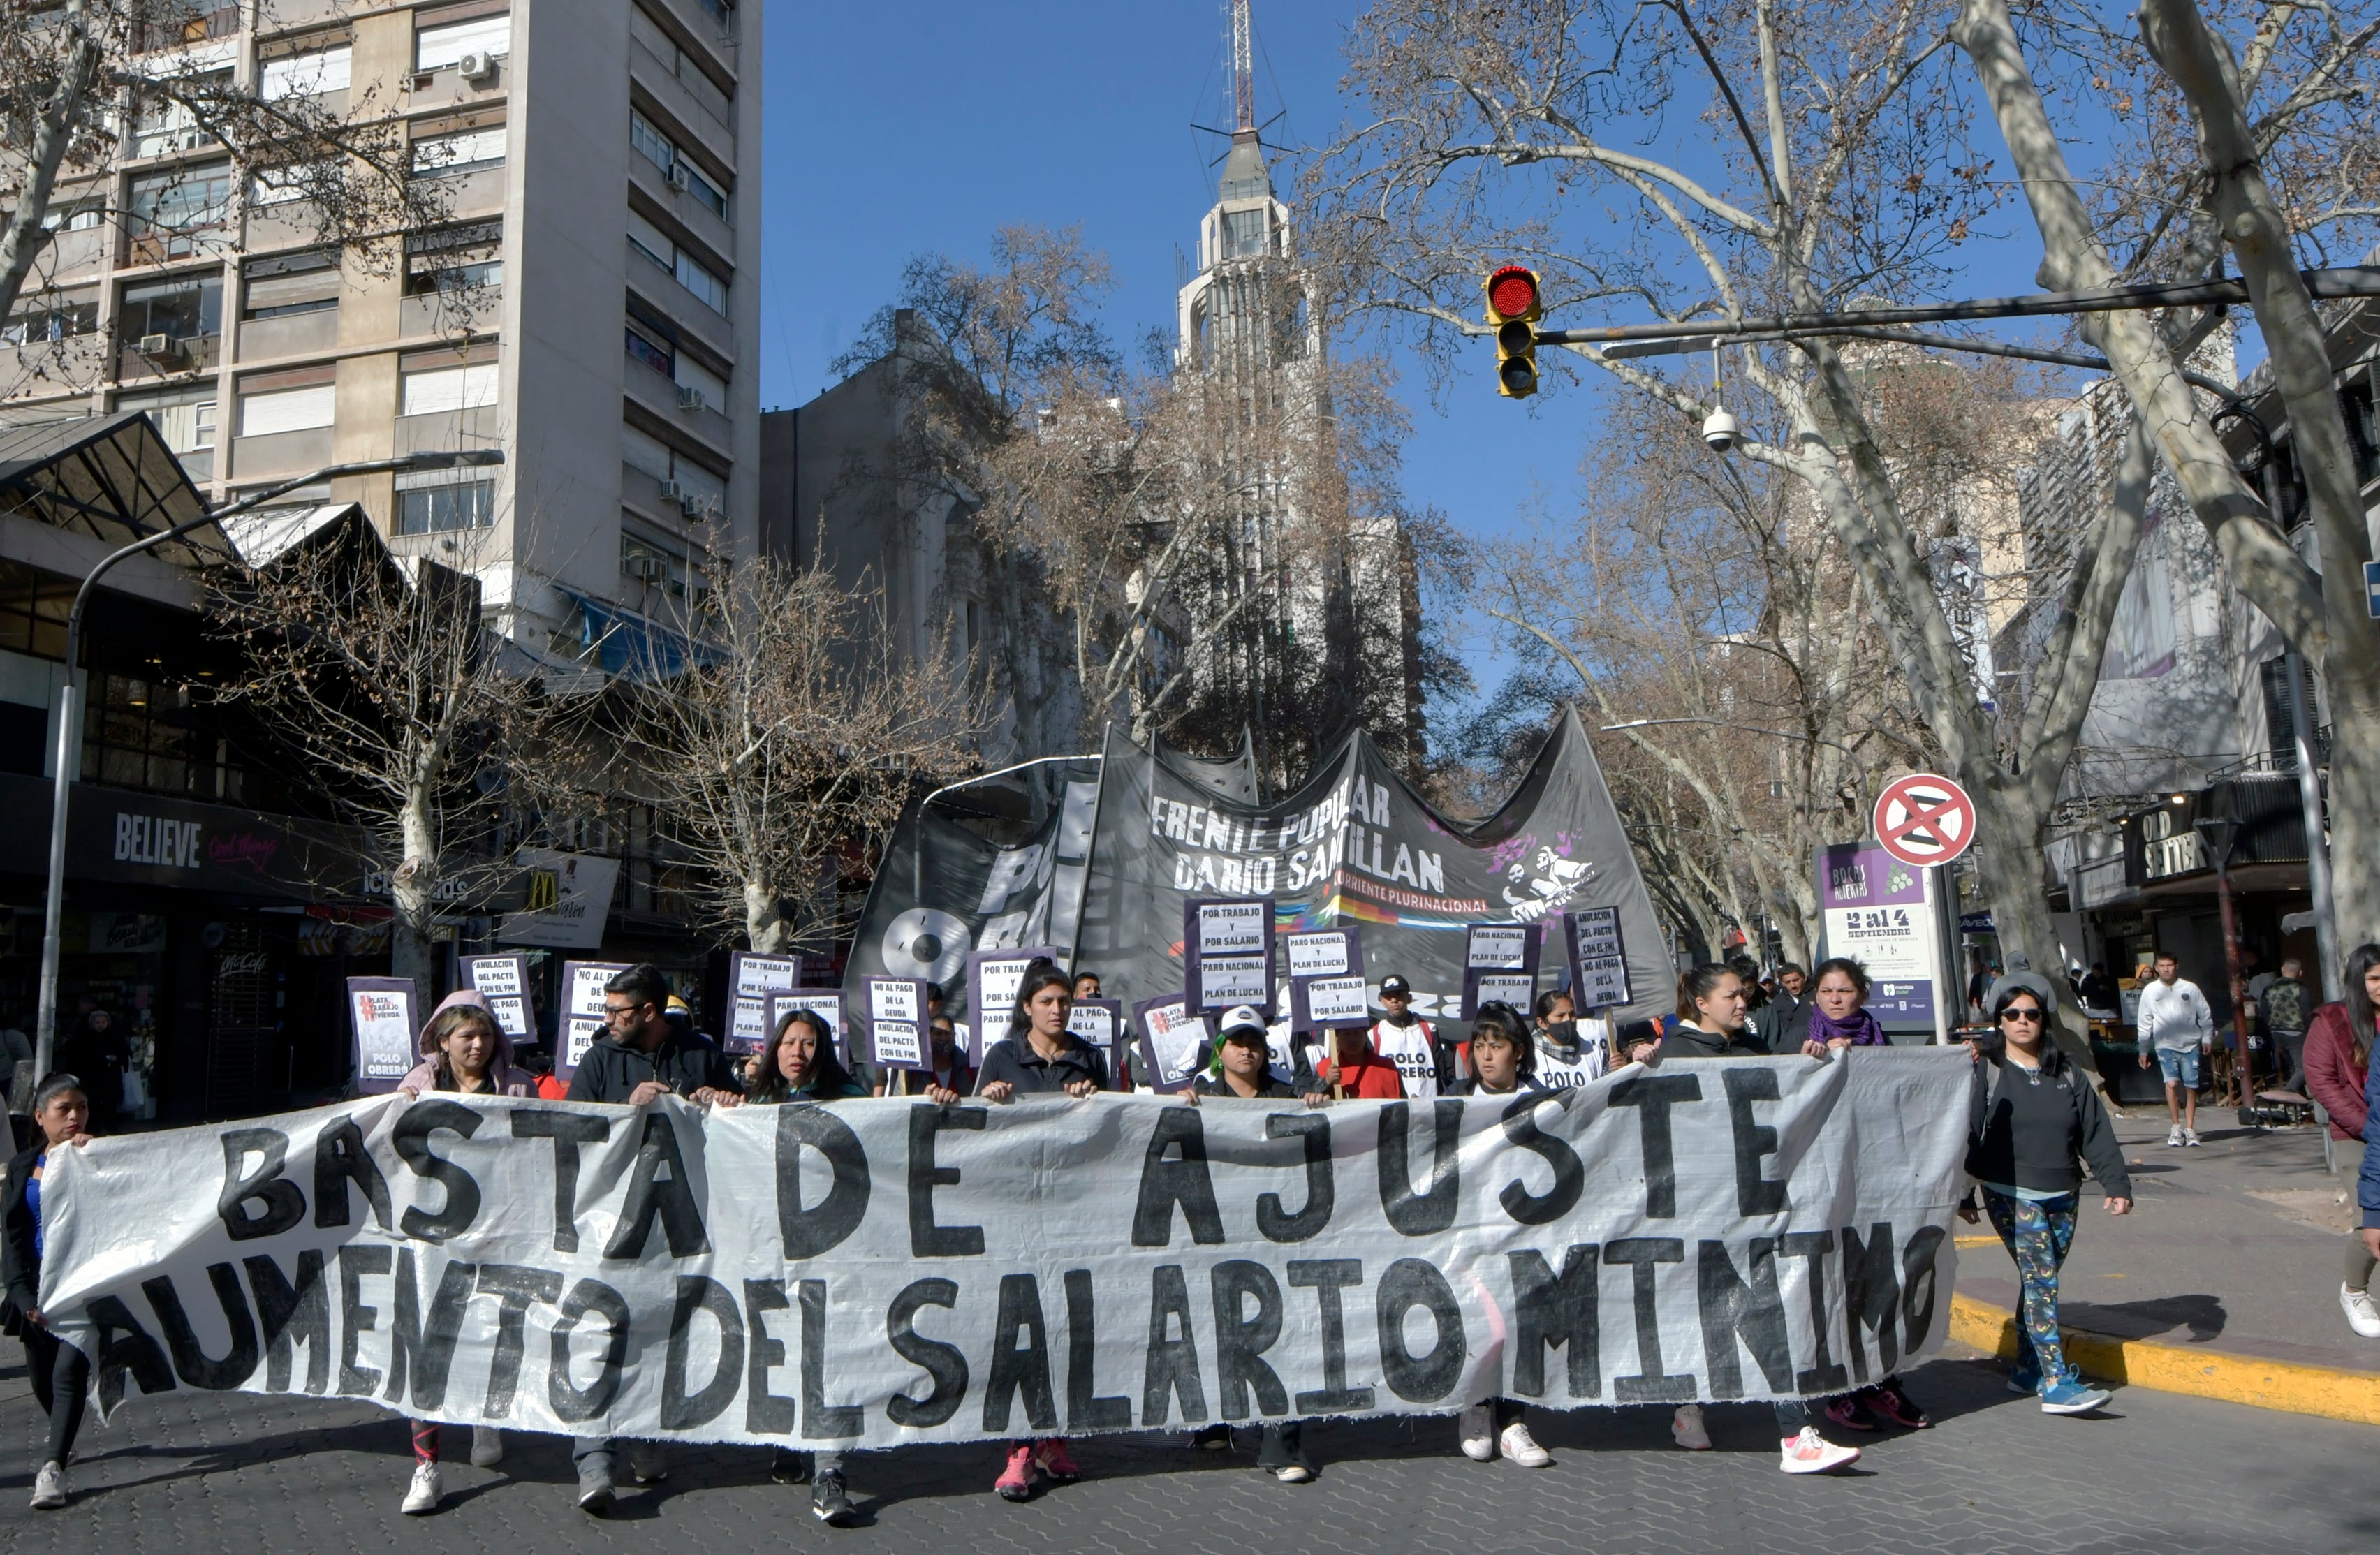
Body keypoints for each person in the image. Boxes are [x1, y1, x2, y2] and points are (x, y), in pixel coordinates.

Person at [1650, 964, 1860, 1473]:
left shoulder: (1749, 1050)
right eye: (1731, 996)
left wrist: (1810, 1064)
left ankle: (1794, 1433)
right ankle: (1688, 1408)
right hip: (1695, 1210)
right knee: (1698, 1315)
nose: (1743, 1004)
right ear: (1701, 1003)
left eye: (1744, 995)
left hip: (1753, 1208)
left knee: (1770, 1308)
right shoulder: (1673, 1054)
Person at [564, 963, 744, 1515]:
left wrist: (726, 1102)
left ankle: (643, 1436)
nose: (608, 1019)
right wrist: (625, 1111)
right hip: (611, 1225)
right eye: (607, 1009)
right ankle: (594, 1460)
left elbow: (747, 1130)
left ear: (649, 1012)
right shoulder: (599, 1060)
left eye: (618, 1011)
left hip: (678, 1228)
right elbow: (570, 1130)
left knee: (656, 1333)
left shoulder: (701, 1052)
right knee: (600, 1333)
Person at [964, 959, 1105, 1501]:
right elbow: (978, 1130)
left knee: (1066, 1322)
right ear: (1027, 1006)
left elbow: (1116, 1123)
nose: (1057, 1009)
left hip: (1071, 1207)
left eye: (1064, 1002)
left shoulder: (1088, 1056)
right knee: (1020, 1323)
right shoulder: (1002, 1056)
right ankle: (1017, 1448)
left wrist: (1094, 1102)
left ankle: (1054, 1438)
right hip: (1016, 1207)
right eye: (1046, 1001)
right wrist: (991, 1099)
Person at [1963, 972, 2134, 1413]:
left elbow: (2094, 1131)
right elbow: (1963, 1132)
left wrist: (2115, 1183)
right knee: (2042, 1281)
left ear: (2044, 1020)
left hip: (2064, 1191)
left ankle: (2026, 1370)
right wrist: (1963, 1193)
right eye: (2012, 1014)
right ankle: (2056, 1381)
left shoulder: (2068, 1073)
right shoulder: (1987, 1070)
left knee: (2039, 1281)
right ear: (1998, 1021)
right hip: (2010, 1191)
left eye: (2031, 1014)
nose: (2022, 1022)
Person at [394, 994, 529, 1513]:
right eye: (467, 1036)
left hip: (500, 1230)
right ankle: (426, 1467)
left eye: (487, 1035)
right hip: (433, 1237)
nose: (478, 1045)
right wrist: (398, 1109)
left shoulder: (517, 1085)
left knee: (490, 1328)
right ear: (442, 1040)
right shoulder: (418, 1085)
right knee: (425, 1343)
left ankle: (485, 1416)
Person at [1186, 1008, 1324, 1480]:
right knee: (1219, 1324)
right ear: (1219, 1048)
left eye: (1256, 1041)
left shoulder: (1286, 1095)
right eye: (1237, 1041)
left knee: (1281, 1332)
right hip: (1220, 1230)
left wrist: (1317, 1104)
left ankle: (1280, 1445)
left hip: (1276, 1233)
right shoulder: (1201, 1096)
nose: (1247, 1050)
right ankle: (1216, 1419)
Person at [742, 1008, 866, 1524]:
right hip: (772, 1247)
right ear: (774, 1049)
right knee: (783, 1344)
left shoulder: (853, 1101)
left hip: (833, 1251)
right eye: (789, 1042)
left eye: (810, 1043)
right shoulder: (755, 1104)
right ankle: (788, 1440)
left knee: (827, 1351)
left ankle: (829, 1471)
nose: (798, 1052)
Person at [1453, 1004, 1555, 1469]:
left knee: (1516, 1327)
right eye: (1479, 1046)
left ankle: (1512, 1421)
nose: (1486, 1056)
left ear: (1519, 1052)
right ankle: (1475, 1409)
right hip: (1466, 1235)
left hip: (1521, 1235)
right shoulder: (1451, 1099)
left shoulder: (1544, 1103)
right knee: (1482, 1324)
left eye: (1497, 1046)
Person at [3, 1074, 94, 1510]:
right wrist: (24, 1300)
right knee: (42, 1380)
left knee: (67, 1377)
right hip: (36, 1293)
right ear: (41, 1118)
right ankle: (64, 1434)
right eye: (65, 1109)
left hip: (84, 1289)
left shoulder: (98, 1156)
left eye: (81, 1107)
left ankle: (52, 1469)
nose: (75, 1116)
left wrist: (98, 1160)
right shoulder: (23, 1168)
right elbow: (14, 1239)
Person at [2314, 944, 2380, 1337]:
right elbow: (2322, 1082)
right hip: (2357, 1132)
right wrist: (2367, 1126)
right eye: (2373, 978)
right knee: (2371, 1216)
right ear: (2358, 981)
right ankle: (2354, 1291)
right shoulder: (2333, 1020)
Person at [2135, 952, 2214, 1147]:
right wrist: (2143, 1051)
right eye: (2161, 966)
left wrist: (2207, 1038)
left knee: (2191, 1087)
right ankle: (2176, 1128)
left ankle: (2190, 1129)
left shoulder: (2190, 988)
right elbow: (2144, 1022)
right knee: (2171, 1084)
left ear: (2176, 966)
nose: (2166, 969)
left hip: (2190, 1044)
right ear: (2156, 968)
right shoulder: (2151, 991)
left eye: (2169, 965)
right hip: (2164, 1045)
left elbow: (2204, 1015)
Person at [1370, 974, 1460, 1096]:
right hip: (1392, 1109)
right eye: (1388, 997)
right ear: (1382, 1001)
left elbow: (1441, 1073)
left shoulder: (1429, 1030)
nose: (1394, 1000)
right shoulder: (1375, 1034)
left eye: (1399, 995)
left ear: (1409, 998)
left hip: (1427, 1107)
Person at [1797, 957, 1890, 1057]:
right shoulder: (1799, 1036)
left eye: (1844, 991)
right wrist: (1807, 1060)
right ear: (1817, 996)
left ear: (1862, 996)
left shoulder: (1876, 1033)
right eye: (1826, 991)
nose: (1835, 999)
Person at [55, 1010, 126, 1130]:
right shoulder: (86, 1038)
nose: (101, 1025)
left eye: (103, 1022)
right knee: (93, 1107)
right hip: (92, 1079)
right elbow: (83, 1057)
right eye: (97, 1022)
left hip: (110, 1079)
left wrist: (116, 1059)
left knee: (110, 1109)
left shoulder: (115, 1037)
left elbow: (123, 1055)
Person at [1528, 989, 1608, 1087]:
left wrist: (1617, 1071)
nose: (1568, 1020)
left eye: (1572, 1014)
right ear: (1542, 1023)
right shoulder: (1529, 1060)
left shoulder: (1594, 1053)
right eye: (1560, 1016)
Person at [2261, 957, 2312, 1092]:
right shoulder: (2301, 988)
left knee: (2292, 1068)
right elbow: (2307, 1012)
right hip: (2296, 1032)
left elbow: (2264, 1011)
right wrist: (2310, 1030)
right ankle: (2287, 1093)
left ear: (2283, 969)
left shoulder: (2269, 988)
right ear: (2301, 972)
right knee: (2305, 1068)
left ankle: (2299, 1101)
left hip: (2276, 1032)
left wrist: (2271, 1026)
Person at [1758, 963, 1810, 1053]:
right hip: (1791, 1052)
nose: (1793, 985)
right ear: (1782, 983)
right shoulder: (1778, 1003)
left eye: (1796, 980)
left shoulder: (1817, 996)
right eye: (1788, 982)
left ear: (1804, 978)